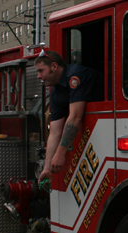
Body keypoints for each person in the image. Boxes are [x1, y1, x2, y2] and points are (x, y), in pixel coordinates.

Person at [34, 50, 103, 183]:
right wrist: (46, 169)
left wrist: (60, 153)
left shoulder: (75, 76)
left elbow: (75, 117)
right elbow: (54, 132)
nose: (38, 76)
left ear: (54, 66)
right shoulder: (56, 92)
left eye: (41, 71)